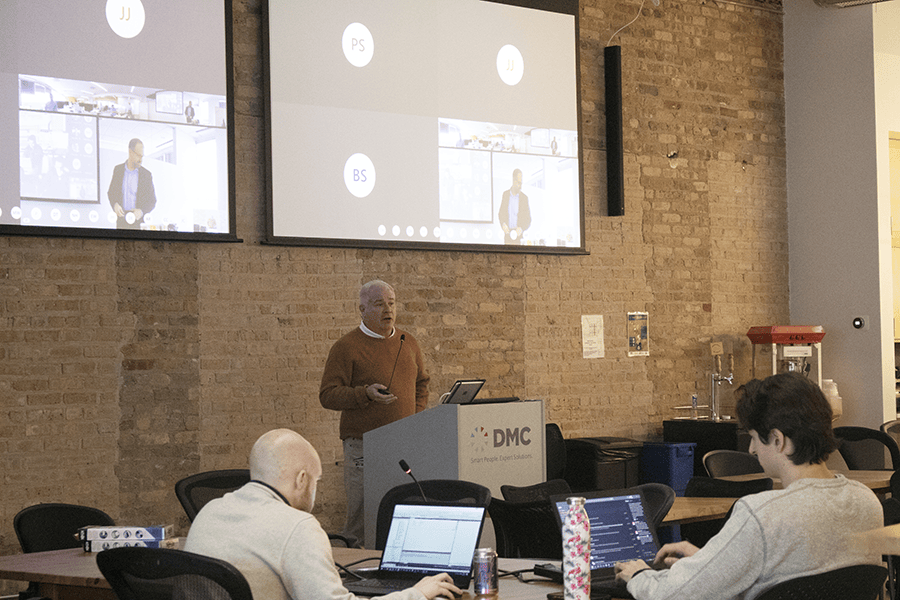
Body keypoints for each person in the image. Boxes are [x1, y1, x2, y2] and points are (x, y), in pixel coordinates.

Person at [614, 372, 883, 599]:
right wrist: (711, 562)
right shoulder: (866, 501)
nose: (752, 449)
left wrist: (639, 575)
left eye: (754, 437)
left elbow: (675, 595)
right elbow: (806, 580)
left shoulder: (762, 513)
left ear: (778, 440)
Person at [184, 429, 459, 600]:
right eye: (317, 481)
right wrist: (417, 594)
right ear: (301, 479)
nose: (315, 491)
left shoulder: (209, 512)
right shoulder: (297, 525)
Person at [320, 280, 430, 547]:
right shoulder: (346, 347)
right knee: (361, 518)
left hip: (402, 445)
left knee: (401, 510)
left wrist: (413, 419)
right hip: (363, 446)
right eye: (379, 304)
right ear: (362, 308)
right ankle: (354, 574)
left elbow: (422, 384)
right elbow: (328, 395)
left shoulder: (408, 342)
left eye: (391, 303)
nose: (387, 310)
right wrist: (363, 394)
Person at [107, 138, 156, 229]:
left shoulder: (146, 175)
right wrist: (115, 204)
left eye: (142, 156)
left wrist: (141, 212)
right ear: (130, 152)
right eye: (138, 156)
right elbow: (111, 193)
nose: (141, 160)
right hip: (121, 221)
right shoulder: (118, 170)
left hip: (138, 223)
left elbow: (152, 201)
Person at [498, 168, 531, 244]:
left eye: (521, 183)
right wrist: (503, 224)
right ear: (513, 180)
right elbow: (501, 214)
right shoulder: (505, 195)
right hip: (507, 236)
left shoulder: (524, 198)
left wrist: (521, 228)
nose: (520, 186)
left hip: (519, 238)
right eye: (519, 183)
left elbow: (528, 219)